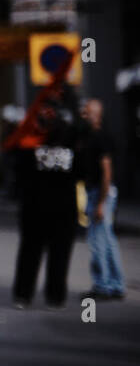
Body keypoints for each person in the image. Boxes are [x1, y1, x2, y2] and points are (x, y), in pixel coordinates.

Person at [11, 100, 78, 309]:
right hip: (63, 209)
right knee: (59, 254)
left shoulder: (29, 144)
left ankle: (23, 295)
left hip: (34, 207)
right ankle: (55, 297)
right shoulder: (72, 145)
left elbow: (18, 173)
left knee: (30, 253)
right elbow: (82, 172)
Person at [79, 98, 125, 300]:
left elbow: (106, 172)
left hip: (100, 193)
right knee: (108, 241)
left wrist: (100, 203)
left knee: (97, 241)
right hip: (101, 193)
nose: (83, 115)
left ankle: (102, 286)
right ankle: (116, 285)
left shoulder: (100, 138)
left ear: (96, 115)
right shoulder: (93, 137)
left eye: (86, 112)